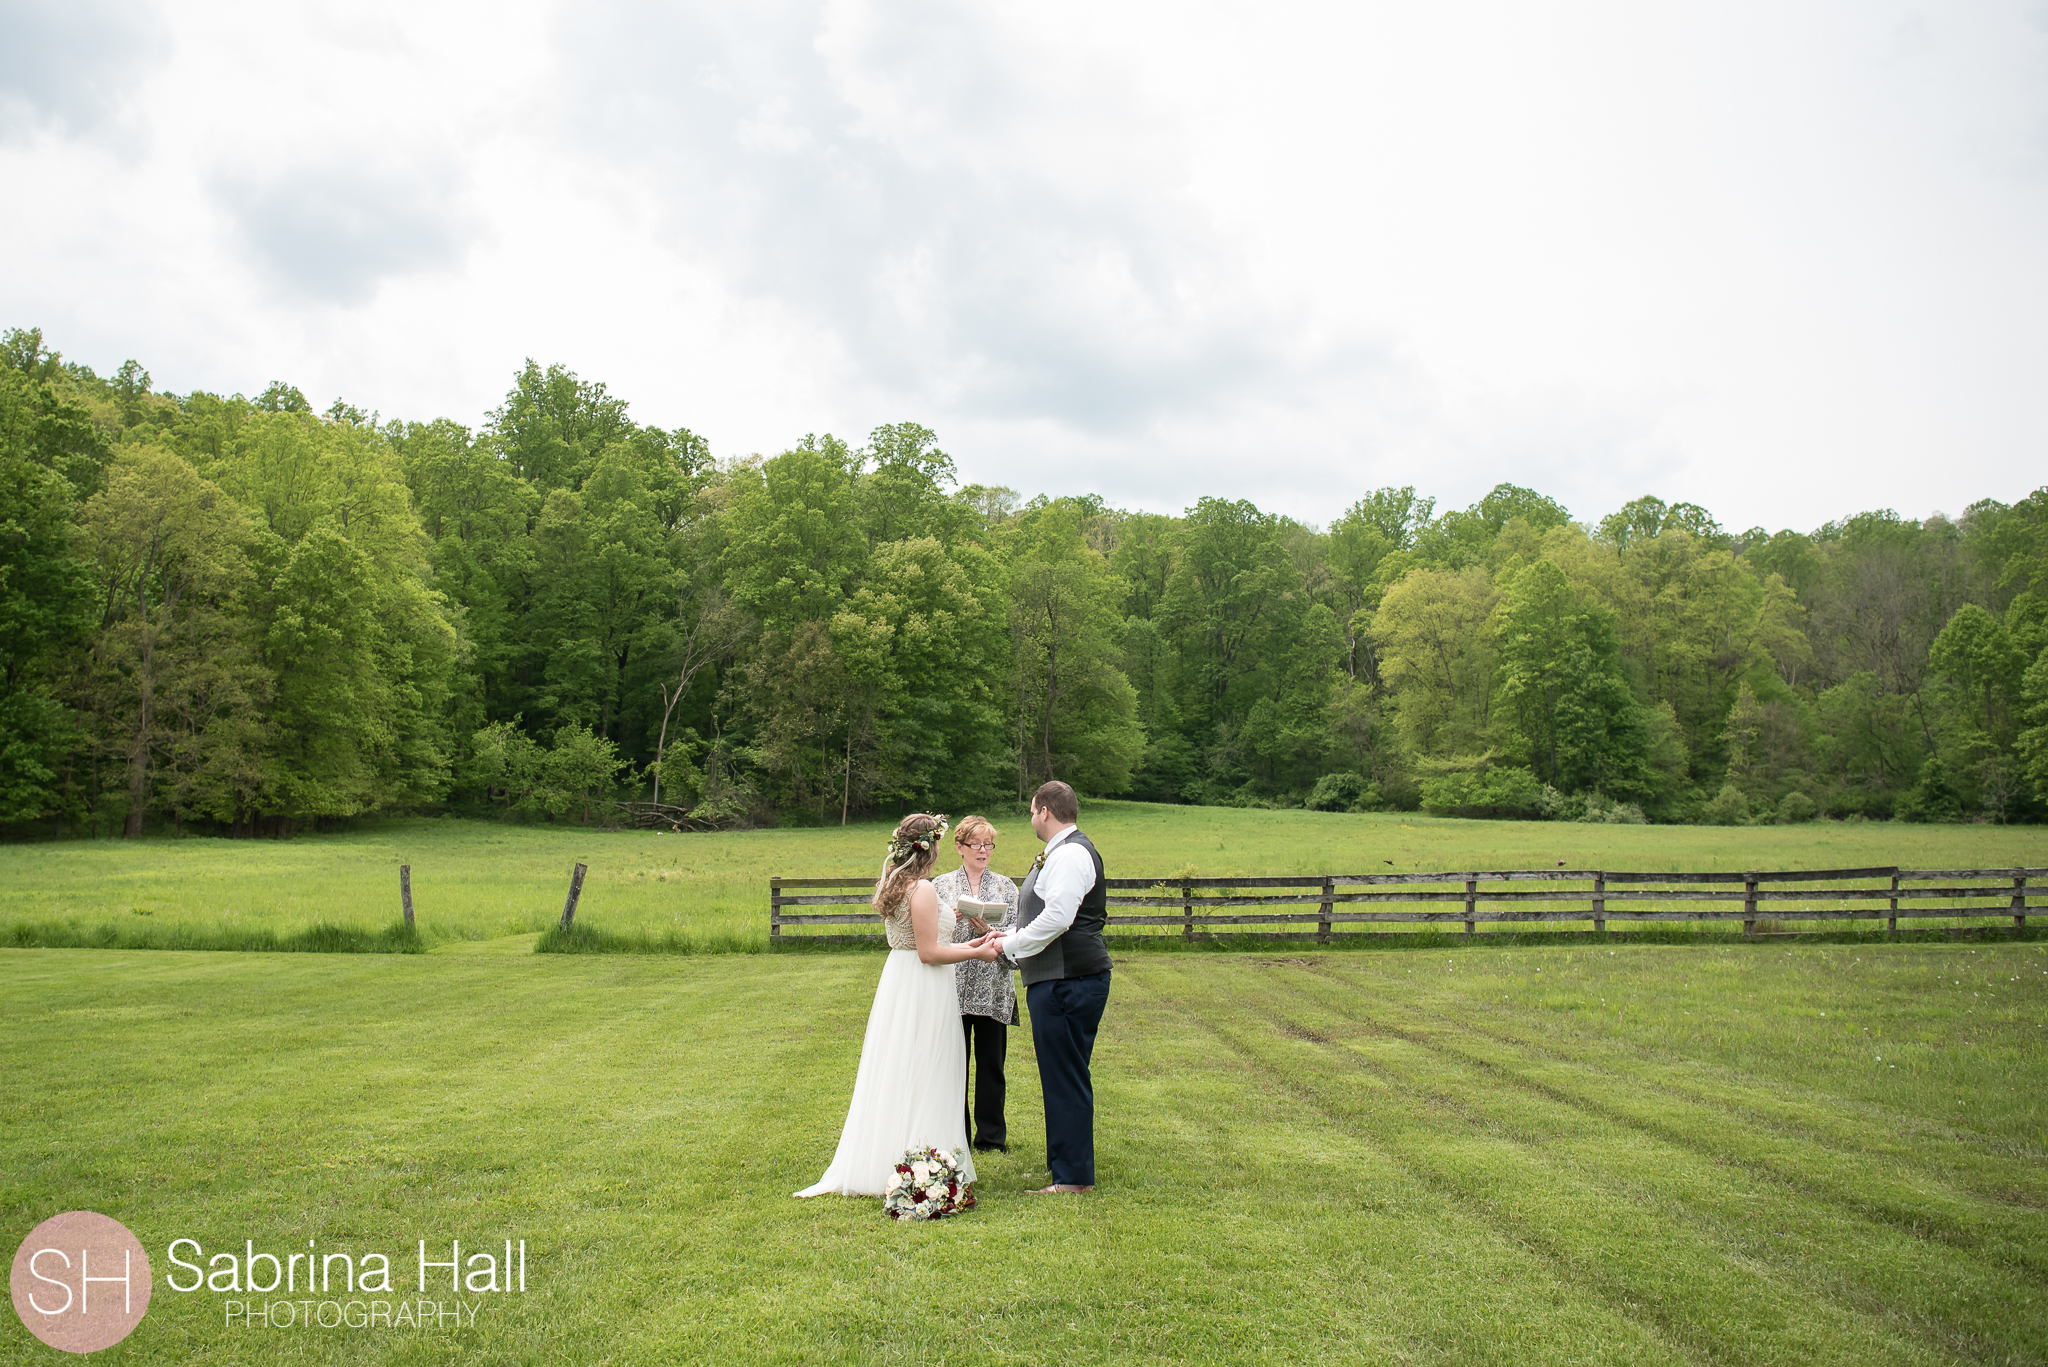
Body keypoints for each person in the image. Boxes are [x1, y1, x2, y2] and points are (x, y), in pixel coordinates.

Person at [795, 813, 1002, 1198]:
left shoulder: (896, 882)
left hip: (902, 981)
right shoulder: (921, 889)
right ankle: (923, 1156)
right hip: (923, 985)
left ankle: (909, 1152)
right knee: (928, 1066)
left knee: (902, 1066)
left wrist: (970, 944)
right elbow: (928, 952)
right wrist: (977, 955)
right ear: (931, 846)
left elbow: (919, 942)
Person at [988, 781, 1111, 1195]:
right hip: (1059, 978)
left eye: (1031, 810)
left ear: (1044, 811)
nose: (1030, 818)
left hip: (1068, 981)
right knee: (1061, 1074)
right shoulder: (1062, 852)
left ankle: (1073, 1179)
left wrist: (1010, 945)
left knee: (1066, 1075)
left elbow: (1059, 918)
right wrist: (1004, 935)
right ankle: (1063, 1167)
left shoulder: (1072, 853)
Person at [931, 815, 1019, 1152]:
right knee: (954, 1066)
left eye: (988, 844)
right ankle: (956, 1137)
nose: (983, 850)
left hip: (992, 989)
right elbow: (929, 936)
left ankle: (991, 1138)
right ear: (959, 847)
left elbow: (1017, 937)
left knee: (991, 1066)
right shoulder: (940, 886)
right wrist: (951, 920)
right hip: (951, 988)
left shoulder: (1006, 887)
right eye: (976, 844)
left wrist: (988, 931)